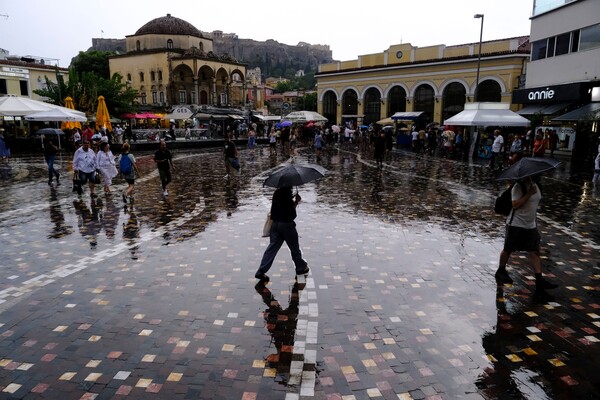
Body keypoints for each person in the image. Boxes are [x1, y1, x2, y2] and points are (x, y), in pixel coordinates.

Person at [494, 177, 558, 292]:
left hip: (530, 225)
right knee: (508, 249)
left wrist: (534, 221)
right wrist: (529, 193)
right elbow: (515, 204)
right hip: (516, 223)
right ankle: (501, 270)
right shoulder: (518, 186)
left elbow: (533, 206)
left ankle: (539, 280)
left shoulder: (536, 185)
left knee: (535, 251)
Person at [255, 186, 309, 281]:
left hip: (275, 225)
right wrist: (296, 202)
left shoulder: (277, 193)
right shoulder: (287, 196)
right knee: (294, 247)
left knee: (272, 249)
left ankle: (261, 271)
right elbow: (292, 214)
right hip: (287, 225)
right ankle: (300, 267)